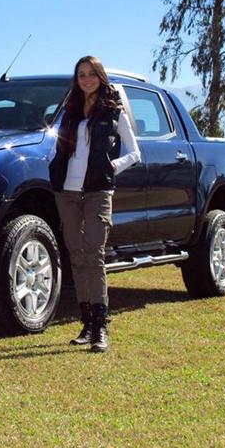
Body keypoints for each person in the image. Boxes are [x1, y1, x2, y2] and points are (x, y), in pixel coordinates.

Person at [48, 56, 141, 352]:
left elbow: (135, 152)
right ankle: (86, 324)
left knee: (94, 254)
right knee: (76, 255)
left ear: (100, 77)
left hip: (99, 192)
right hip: (68, 192)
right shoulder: (70, 113)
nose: (86, 79)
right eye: (81, 75)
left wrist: (112, 167)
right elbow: (58, 147)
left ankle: (101, 327)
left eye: (91, 74)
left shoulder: (114, 113)